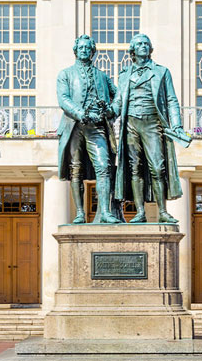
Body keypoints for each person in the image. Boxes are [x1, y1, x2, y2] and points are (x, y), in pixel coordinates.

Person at [112, 34, 188, 223]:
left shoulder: (162, 72)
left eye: (146, 44)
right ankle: (140, 212)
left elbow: (171, 100)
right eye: (139, 44)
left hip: (152, 123)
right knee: (134, 168)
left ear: (151, 49)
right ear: (132, 51)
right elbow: (118, 103)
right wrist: (105, 113)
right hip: (130, 124)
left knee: (157, 167)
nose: (143, 46)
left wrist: (176, 124)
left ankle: (162, 211)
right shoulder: (124, 75)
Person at [55, 35, 120, 224]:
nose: (84, 50)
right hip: (74, 125)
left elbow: (119, 96)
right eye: (81, 48)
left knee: (104, 167)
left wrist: (111, 110)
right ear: (75, 51)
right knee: (76, 169)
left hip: (97, 126)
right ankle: (80, 213)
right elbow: (64, 99)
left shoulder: (102, 76)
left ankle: (105, 212)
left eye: (87, 48)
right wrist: (81, 113)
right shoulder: (65, 74)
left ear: (93, 51)